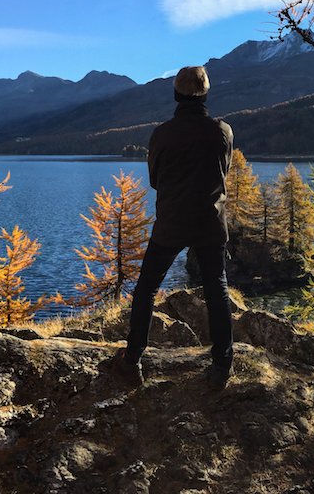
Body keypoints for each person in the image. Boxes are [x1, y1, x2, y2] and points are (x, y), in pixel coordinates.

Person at [107, 65, 235, 391]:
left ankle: (132, 360)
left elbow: (154, 180)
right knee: (217, 290)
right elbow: (223, 173)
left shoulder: (162, 134)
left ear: (177, 94)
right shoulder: (223, 131)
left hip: (171, 222)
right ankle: (222, 366)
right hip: (210, 222)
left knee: (146, 289)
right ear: (205, 94)